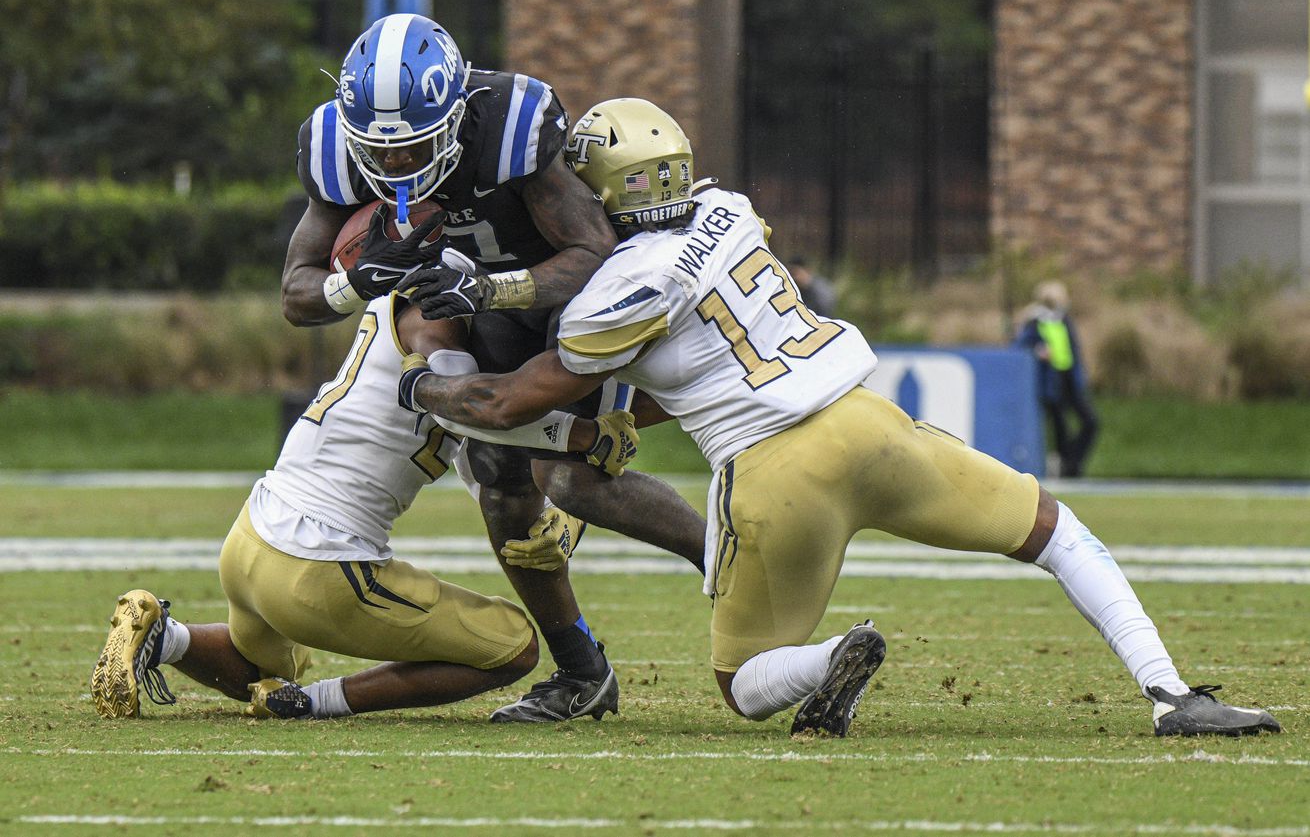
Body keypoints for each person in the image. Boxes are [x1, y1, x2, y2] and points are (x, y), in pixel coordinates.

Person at [396, 97, 1281, 738]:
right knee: (1054, 529)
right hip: (869, 422)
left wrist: (423, 385)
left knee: (742, 683)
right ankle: (1173, 695)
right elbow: (712, 344)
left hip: (775, 476)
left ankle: (834, 657)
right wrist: (628, 414)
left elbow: (513, 399)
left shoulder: (612, 292)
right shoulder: (729, 209)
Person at [278, 14, 707, 721]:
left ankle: (723, 556)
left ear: (453, 115)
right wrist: (353, 283)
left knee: (573, 483)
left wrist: (491, 287)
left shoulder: (509, 123)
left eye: (413, 146)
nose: (393, 168)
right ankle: (581, 671)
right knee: (505, 486)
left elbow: (590, 249)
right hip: (480, 311)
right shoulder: (336, 151)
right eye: (377, 154)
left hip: (565, 298)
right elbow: (297, 295)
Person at [90, 289, 641, 721]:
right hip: (321, 563)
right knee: (514, 646)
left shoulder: (395, 312)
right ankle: (314, 704)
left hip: (250, 538)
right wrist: (584, 436)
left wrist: (554, 512)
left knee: (261, 669)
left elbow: (483, 464)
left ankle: (163, 634)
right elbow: (479, 413)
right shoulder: (435, 330)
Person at [1013, 280, 1099, 477]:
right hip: (1051, 381)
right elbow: (1019, 347)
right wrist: (1038, 351)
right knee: (1060, 427)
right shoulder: (1035, 322)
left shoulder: (1064, 320)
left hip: (1069, 378)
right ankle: (1067, 469)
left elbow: (1074, 350)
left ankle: (1072, 461)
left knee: (1091, 422)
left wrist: (1080, 375)